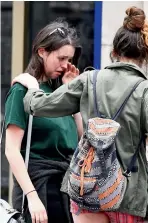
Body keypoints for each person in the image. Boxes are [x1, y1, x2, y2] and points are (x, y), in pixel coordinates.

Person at [12, 6, 148, 223]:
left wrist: (31, 86)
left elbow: (39, 106)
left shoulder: (89, 80)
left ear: (114, 52)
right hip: (127, 195)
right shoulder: (146, 90)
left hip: (88, 190)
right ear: (147, 55)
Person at [5, 18, 83, 223]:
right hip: (40, 188)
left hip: (68, 187)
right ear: (42, 52)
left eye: (70, 59)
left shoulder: (60, 91)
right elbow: (11, 150)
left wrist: (71, 93)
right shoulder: (22, 90)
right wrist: (31, 196)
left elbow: (82, 136)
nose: (66, 65)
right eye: (61, 58)